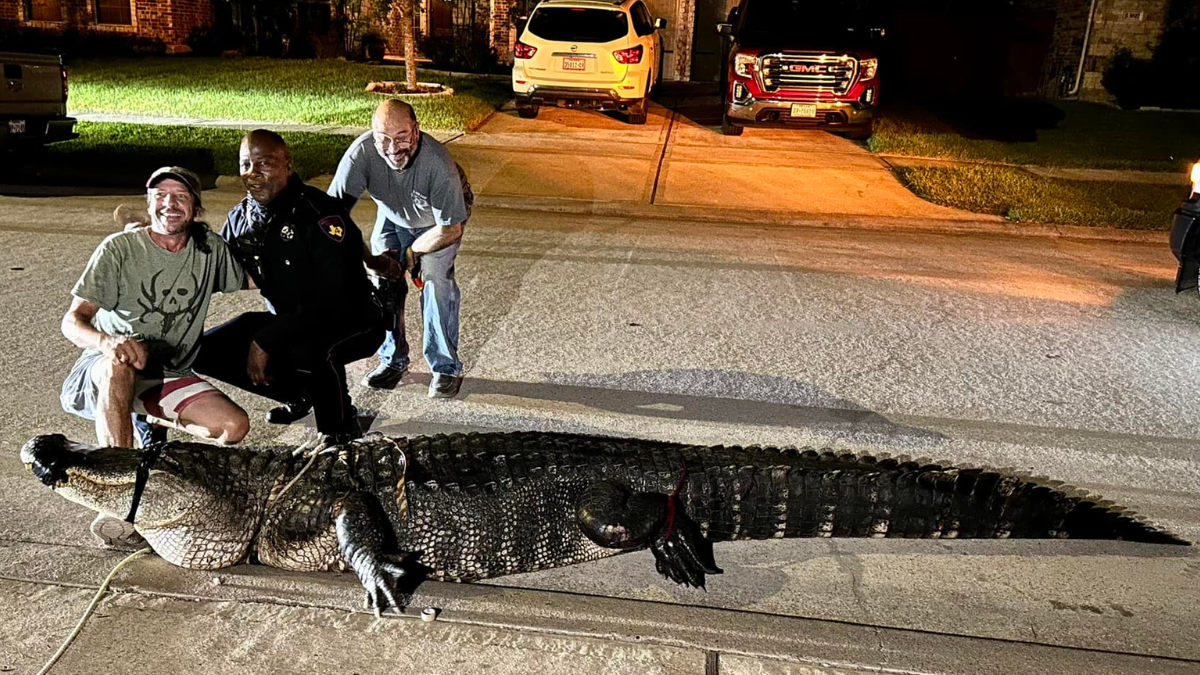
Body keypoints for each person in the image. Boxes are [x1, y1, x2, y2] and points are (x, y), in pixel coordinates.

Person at [60, 166, 250, 546]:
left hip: (167, 372)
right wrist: (105, 341)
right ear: (149, 203)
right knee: (119, 366)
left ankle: (148, 423)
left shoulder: (208, 248)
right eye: (160, 195)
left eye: (180, 196)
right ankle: (119, 496)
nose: (169, 203)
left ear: (195, 208)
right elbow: (72, 321)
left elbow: (255, 277)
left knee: (234, 428)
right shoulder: (119, 249)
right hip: (106, 369)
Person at [194, 129, 383, 443]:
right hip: (290, 321)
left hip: (353, 320)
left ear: (288, 166)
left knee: (315, 349)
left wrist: (265, 340)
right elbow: (213, 271)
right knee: (201, 350)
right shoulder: (242, 218)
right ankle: (302, 392)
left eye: (264, 163)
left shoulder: (320, 214)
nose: (253, 174)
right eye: (245, 165)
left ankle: (339, 428)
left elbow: (333, 303)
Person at [328, 98, 472, 399]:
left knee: (435, 280)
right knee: (384, 284)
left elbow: (451, 228)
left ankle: (445, 367)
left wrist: (410, 255)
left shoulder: (437, 164)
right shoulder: (362, 153)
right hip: (393, 215)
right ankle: (393, 359)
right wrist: (369, 259)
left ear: (416, 131)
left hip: (438, 225)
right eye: (383, 139)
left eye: (402, 138)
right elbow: (331, 215)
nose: (392, 148)